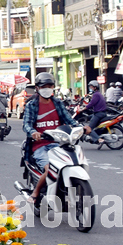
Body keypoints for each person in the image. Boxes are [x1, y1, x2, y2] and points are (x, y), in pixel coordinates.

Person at [23, 73, 88, 202]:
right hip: (40, 145)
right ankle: (35, 193)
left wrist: (81, 127)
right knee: (50, 169)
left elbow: (69, 120)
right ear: (37, 88)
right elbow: (26, 125)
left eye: (50, 86)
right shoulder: (32, 105)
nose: (47, 88)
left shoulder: (57, 103)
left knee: (73, 163)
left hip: (59, 143)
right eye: (44, 86)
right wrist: (33, 132)